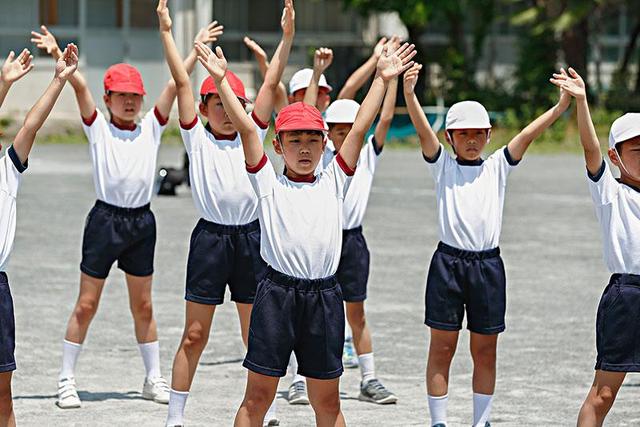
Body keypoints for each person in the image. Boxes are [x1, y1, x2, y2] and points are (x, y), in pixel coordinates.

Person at [194, 37, 415, 425]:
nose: (304, 148)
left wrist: (382, 78)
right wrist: (222, 81)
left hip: (324, 298)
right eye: (294, 140)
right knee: (258, 398)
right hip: (276, 295)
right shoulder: (267, 182)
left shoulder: (335, 179)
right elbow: (247, 130)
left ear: (325, 141)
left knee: (327, 403)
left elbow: (361, 126)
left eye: (313, 139)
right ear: (278, 146)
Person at [31, 21, 222, 409]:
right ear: (108, 99)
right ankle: (66, 378)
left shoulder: (151, 126)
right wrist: (55, 52)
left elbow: (176, 85)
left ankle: (153, 378)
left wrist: (194, 50)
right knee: (87, 304)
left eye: (135, 95)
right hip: (105, 221)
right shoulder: (98, 127)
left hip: (141, 223)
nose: (130, 102)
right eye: (122, 96)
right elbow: (78, 84)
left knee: (145, 306)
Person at [403, 61, 570, 427]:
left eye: (479, 133)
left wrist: (559, 109)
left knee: (485, 350)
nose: (472, 140)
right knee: (442, 347)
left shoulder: (497, 167)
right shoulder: (441, 165)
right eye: (463, 134)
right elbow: (421, 131)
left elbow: (526, 135)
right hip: (447, 266)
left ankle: (482, 421)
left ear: (490, 135)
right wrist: (410, 94)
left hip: (488, 267)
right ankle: (438, 422)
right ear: (449, 137)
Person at [157, 0, 294, 425]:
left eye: (235, 102)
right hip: (211, 240)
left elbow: (271, 84)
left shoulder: (251, 134)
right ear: (203, 109)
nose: (227, 111)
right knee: (195, 335)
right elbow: (181, 81)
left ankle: (262, 412)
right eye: (219, 102)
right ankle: (175, 416)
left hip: (253, 240)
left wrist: (287, 38)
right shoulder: (196, 138)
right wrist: (167, 32)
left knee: (257, 335)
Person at [549, 68, 640, 427]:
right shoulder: (611, 194)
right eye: (638, 149)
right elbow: (590, 150)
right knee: (604, 394)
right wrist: (582, 102)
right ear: (616, 157)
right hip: (627, 296)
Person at [0, 43, 78, 427]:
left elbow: (30, 124)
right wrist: (3, 86)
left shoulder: (7, 171)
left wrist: (59, 80)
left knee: (2, 398)